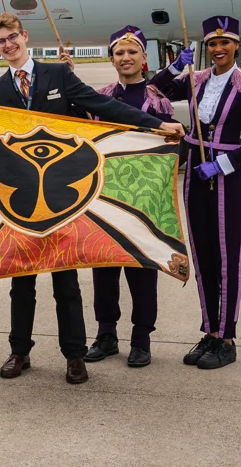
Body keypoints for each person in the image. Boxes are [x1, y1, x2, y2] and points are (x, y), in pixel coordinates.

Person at [0, 12, 184, 384]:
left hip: (63, 197)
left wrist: (156, 125)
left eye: (13, 37)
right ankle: (19, 351)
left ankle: (74, 356)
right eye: (1, 41)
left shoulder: (57, 75)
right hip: (22, 202)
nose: (9, 45)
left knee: (66, 281)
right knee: (20, 280)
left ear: (25, 36)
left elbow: (103, 107)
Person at [152, 15, 241, 369]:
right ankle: (210, 331)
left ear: (237, 45)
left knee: (226, 259)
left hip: (228, 178)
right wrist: (174, 66)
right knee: (202, 257)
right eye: (212, 44)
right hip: (195, 178)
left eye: (225, 43)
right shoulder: (196, 80)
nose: (218, 49)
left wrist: (221, 164)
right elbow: (154, 89)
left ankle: (227, 337)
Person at [83, 27, 174, 369]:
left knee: (141, 268)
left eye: (132, 52)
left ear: (144, 58)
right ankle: (106, 334)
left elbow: (166, 151)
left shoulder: (157, 100)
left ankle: (141, 338)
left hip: (143, 198)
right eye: (119, 53)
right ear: (112, 59)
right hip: (104, 194)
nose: (126, 58)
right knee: (103, 267)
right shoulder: (100, 97)